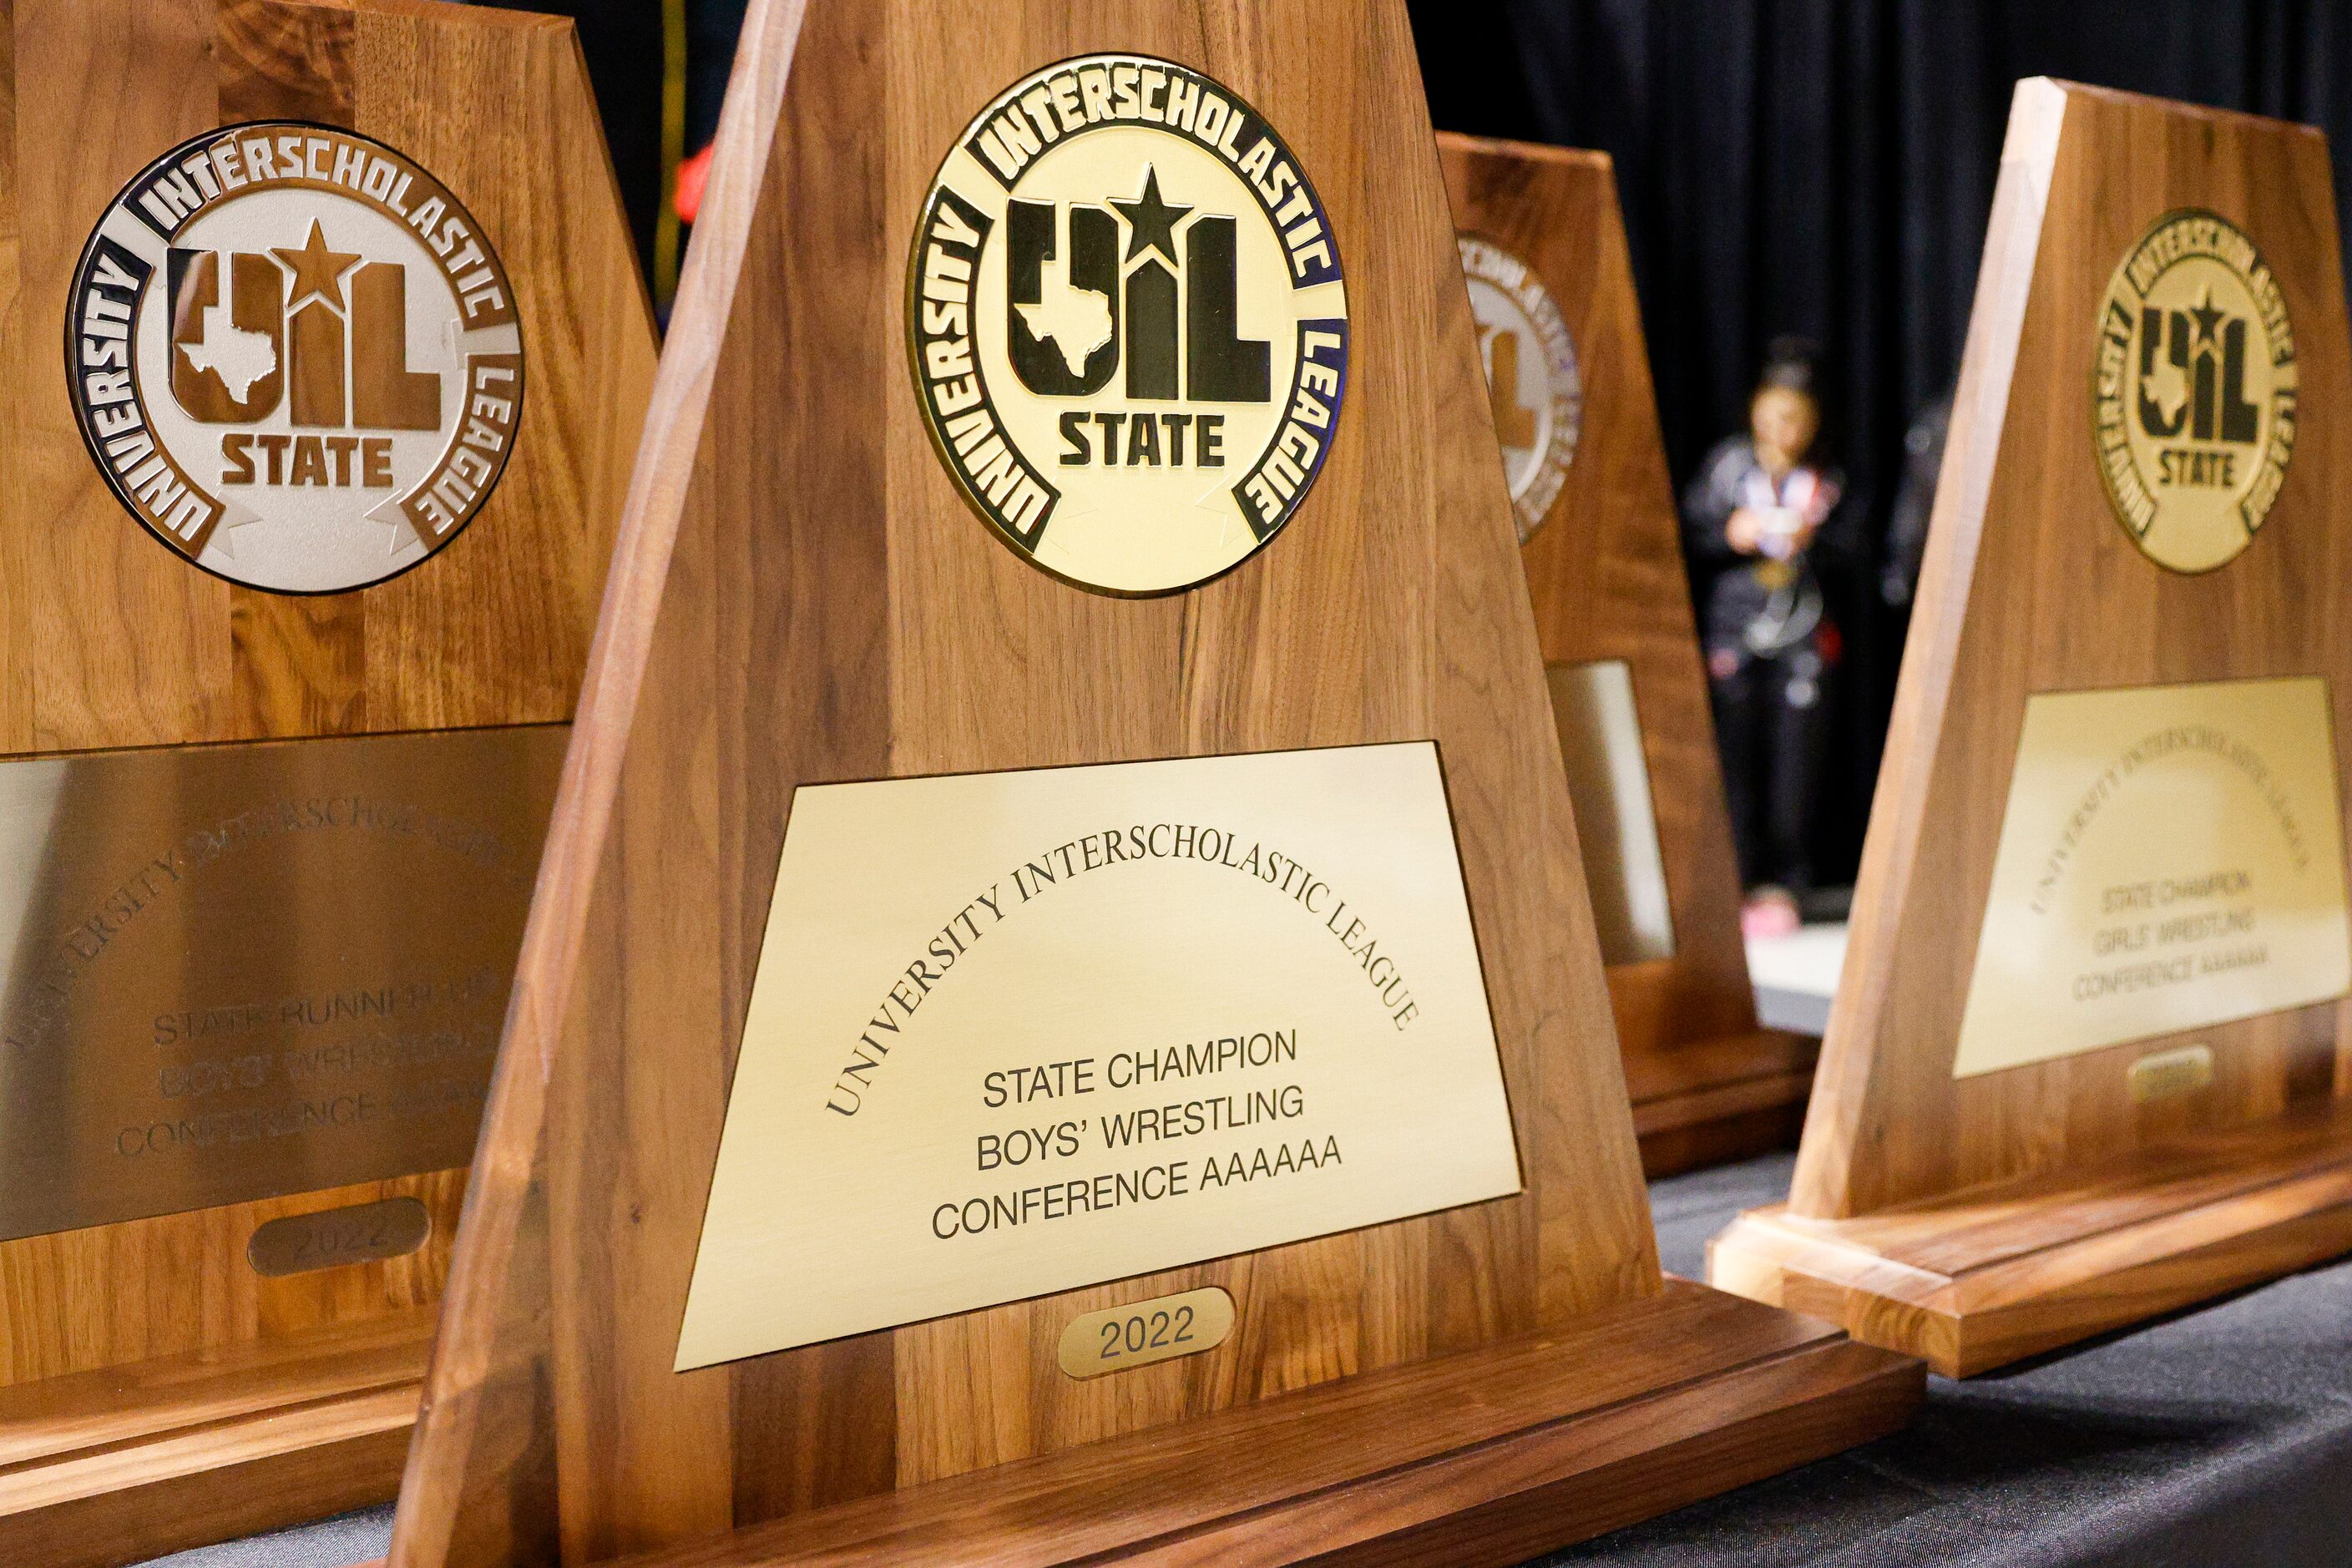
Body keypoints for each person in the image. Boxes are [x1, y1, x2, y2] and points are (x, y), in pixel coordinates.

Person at [1683, 340, 1846, 938]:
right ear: (1754, 409)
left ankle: (1785, 882)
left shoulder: (1826, 479)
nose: (1785, 429)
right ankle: (1734, 878)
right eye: (1775, 414)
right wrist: (1731, 532)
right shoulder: (1726, 470)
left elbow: (1855, 552)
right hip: (1734, 635)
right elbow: (1688, 534)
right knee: (1733, 759)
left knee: (1794, 764)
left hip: (1800, 638)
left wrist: (1815, 541)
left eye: (1797, 419)